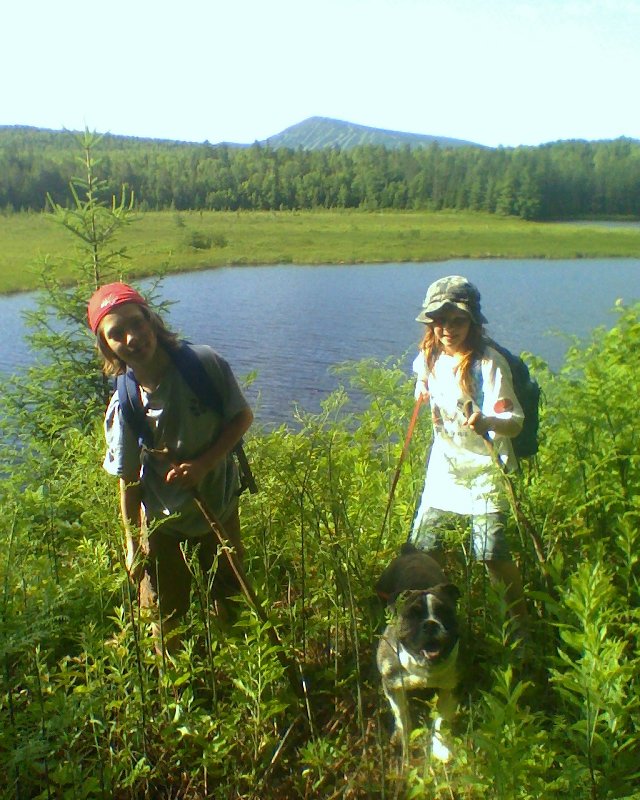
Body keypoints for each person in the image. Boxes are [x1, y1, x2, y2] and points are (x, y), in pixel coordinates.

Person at [87, 282, 254, 655]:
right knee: (165, 619)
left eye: (137, 323)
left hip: (219, 509)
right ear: (106, 346)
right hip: (163, 525)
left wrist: (203, 464)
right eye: (116, 333)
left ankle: (244, 681)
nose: (132, 338)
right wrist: (132, 544)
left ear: (151, 320)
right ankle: (176, 694)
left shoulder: (203, 366)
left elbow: (241, 416)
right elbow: (128, 480)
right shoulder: (126, 403)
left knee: (233, 602)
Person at [409, 275, 528, 631]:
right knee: (423, 550)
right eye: (440, 320)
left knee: (490, 554)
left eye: (457, 320)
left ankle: (517, 630)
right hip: (444, 469)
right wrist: (422, 391)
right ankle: (430, 624)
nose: (447, 328)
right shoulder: (428, 355)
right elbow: (421, 377)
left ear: (472, 322)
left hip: (488, 471)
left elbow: (515, 421)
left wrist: (488, 420)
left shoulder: (488, 364)